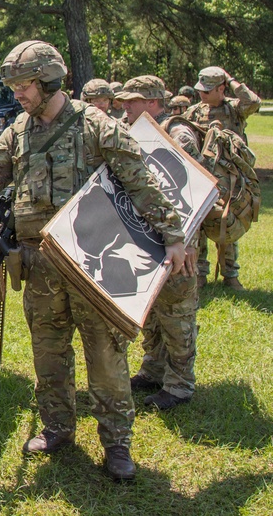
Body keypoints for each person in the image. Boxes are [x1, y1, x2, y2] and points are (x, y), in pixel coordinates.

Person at [0, 41, 188, 481]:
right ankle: (57, 428)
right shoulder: (16, 130)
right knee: (48, 355)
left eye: (24, 85)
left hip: (93, 267)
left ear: (49, 80)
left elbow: (142, 183)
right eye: (15, 87)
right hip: (38, 266)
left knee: (106, 357)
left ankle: (117, 443)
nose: (18, 94)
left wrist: (173, 236)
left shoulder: (97, 125)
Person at [116, 75, 201, 410]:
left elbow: (195, 193)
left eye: (132, 102)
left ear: (152, 102)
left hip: (179, 241)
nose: (125, 108)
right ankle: (153, 369)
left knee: (177, 315)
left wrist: (188, 242)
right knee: (150, 312)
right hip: (147, 239)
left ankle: (180, 384)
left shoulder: (177, 135)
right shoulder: (134, 132)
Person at [184, 66, 261, 290]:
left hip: (230, 179)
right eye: (201, 90)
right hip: (202, 175)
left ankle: (230, 274)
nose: (203, 94)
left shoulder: (234, 109)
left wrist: (231, 79)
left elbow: (254, 103)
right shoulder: (194, 112)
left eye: (208, 90)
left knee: (226, 222)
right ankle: (199, 273)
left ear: (221, 88)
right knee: (198, 223)